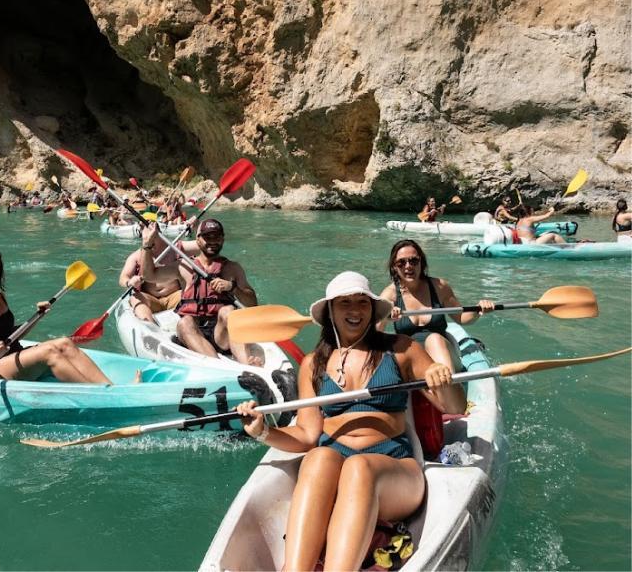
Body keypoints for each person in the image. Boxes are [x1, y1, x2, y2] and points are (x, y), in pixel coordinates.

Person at [235, 272, 466, 571]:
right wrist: (263, 431)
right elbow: (307, 434)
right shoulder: (313, 364)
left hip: (395, 471)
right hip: (337, 467)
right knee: (317, 457)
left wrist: (441, 380)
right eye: (345, 303)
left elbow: (455, 405)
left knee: (359, 467)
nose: (355, 310)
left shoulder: (401, 349)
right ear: (331, 310)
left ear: (372, 309)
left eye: (362, 302)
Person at [0, 245, 114, 383]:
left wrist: (38, 315)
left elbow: (11, 334)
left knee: (65, 342)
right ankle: (100, 394)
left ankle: (109, 387)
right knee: (49, 352)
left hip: (13, 357)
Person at [140, 218, 258, 365]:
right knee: (185, 322)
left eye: (217, 237)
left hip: (221, 335)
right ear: (198, 239)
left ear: (223, 239)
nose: (212, 241)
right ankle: (218, 366)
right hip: (193, 333)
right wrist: (147, 244)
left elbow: (252, 304)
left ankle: (247, 364)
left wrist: (232, 287)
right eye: (207, 237)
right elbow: (148, 275)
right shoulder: (184, 267)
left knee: (228, 311)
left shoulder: (233, 268)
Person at [378, 240, 494, 372]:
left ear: (422, 263)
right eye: (401, 262)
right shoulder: (390, 294)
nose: (408, 266)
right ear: (394, 266)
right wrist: (385, 315)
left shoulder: (439, 287)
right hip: (413, 360)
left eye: (414, 261)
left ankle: (448, 386)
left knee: (434, 339)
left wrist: (478, 309)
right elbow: (375, 333)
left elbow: (461, 317)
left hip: (443, 353)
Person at [119, 238, 183, 323]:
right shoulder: (136, 256)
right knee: (136, 298)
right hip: (152, 300)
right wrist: (130, 282)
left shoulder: (174, 250)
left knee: (189, 294)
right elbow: (123, 278)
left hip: (175, 297)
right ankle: (150, 327)